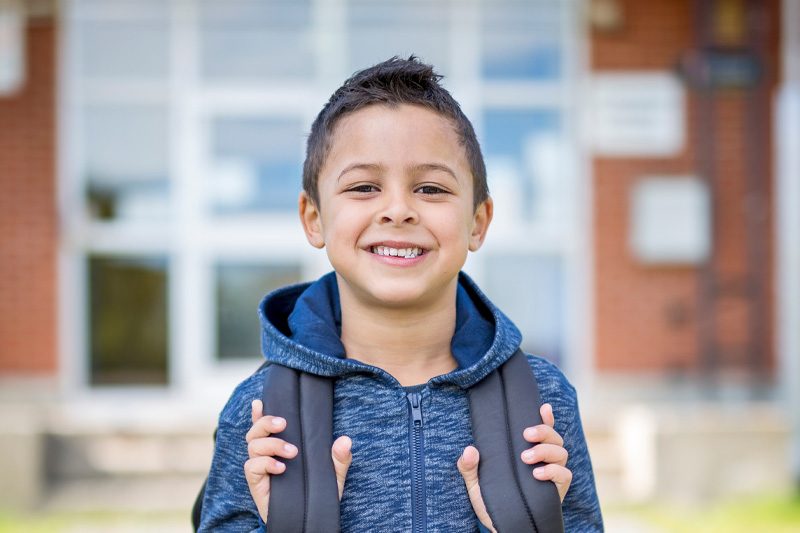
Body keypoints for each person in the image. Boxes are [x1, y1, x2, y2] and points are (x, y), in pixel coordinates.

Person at [198, 56, 603, 532]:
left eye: (430, 188)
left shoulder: (541, 402)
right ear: (313, 218)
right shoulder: (263, 416)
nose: (397, 210)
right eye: (365, 186)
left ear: (478, 222)